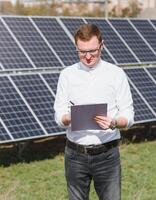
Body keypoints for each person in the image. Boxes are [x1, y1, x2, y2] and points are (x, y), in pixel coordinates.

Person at [54, 24, 134, 200]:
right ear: (76, 48)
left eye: (93, 51)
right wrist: (67, 118)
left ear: (102, 46)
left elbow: (128, 115)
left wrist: (113, 122)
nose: (88, 56)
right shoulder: (67, 75)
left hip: (107, 155)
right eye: (82, 52)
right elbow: (59, 113)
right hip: (75, 156)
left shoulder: (116, 74)